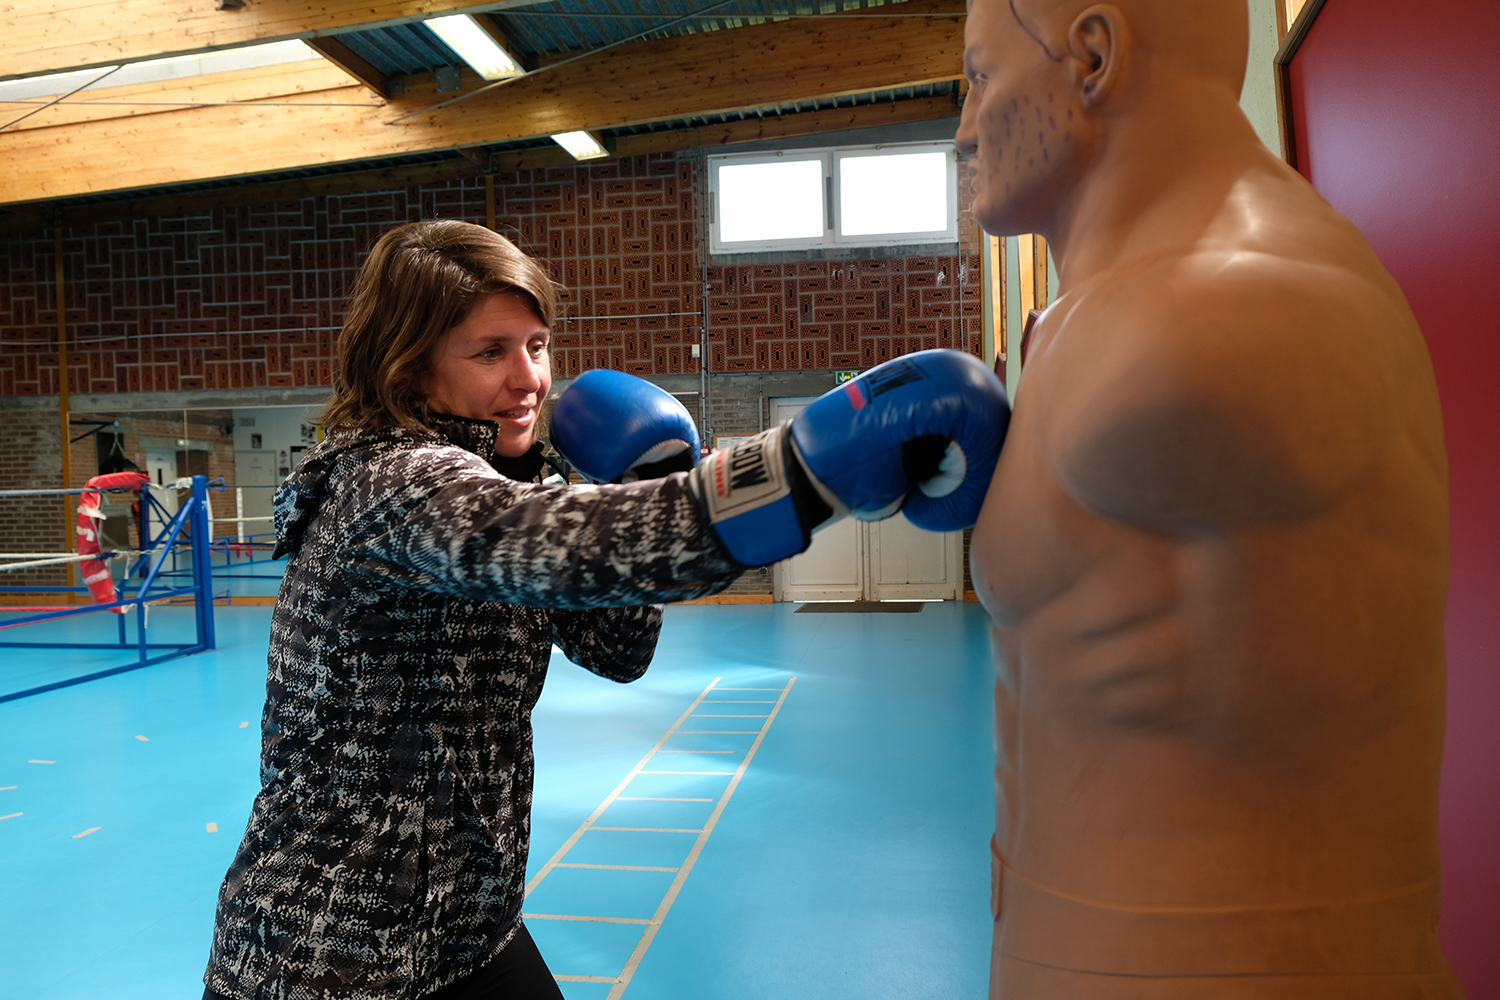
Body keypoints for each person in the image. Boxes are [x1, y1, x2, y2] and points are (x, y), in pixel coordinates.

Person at [203, 219, 1008, 999]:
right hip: (329, 958)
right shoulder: (392, 483)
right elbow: (569, 548)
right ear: (409, 371)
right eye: (490, 352)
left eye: (536, 345)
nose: (528, 380)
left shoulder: (510, 478)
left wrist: (620, 487)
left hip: (464, 929)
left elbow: (618, 646)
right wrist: (800, 468)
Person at [957, 1, 1463, 998]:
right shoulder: (1086, 327)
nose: (966, 127)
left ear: (1091, 57)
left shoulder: (1229, 314)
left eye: (979, 77)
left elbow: (1223, 379)